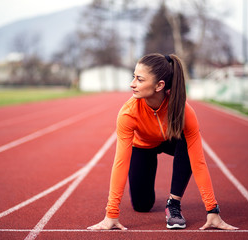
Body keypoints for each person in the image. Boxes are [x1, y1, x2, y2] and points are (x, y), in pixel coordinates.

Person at [87, 53, 238, 231]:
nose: (132, 84)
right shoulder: (128, 113)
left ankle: (173, 203)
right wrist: (111, 214)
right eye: (133, 77)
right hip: (143, 146)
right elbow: (120, 163)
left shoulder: (184, 112)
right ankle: (147, 193)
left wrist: (212, 210)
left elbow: (198, 162)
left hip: (171, 140)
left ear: (159, 85)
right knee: (142, 205)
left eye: (140, 79)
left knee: (188, 147)